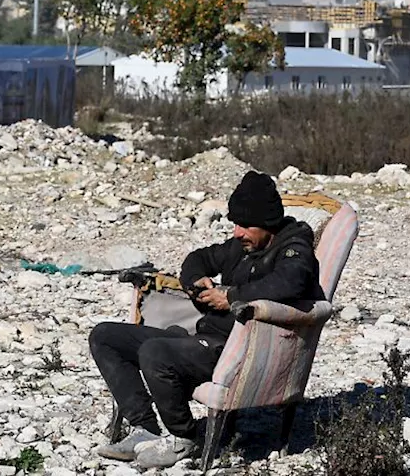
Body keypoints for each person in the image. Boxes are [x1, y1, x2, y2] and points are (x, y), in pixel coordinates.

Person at [88, 170, 326, 468]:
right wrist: (196, 281)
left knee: (154, 352)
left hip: (236, 350)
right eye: (236, 224)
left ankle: (182, 437)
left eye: (245, 225)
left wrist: (231, 296)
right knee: (105, 336)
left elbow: (292, 283)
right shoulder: (242, 245)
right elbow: (197, 259)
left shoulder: (295, 249)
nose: (238, 232)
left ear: (269, 225)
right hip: (201, 340)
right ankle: (144, 427)